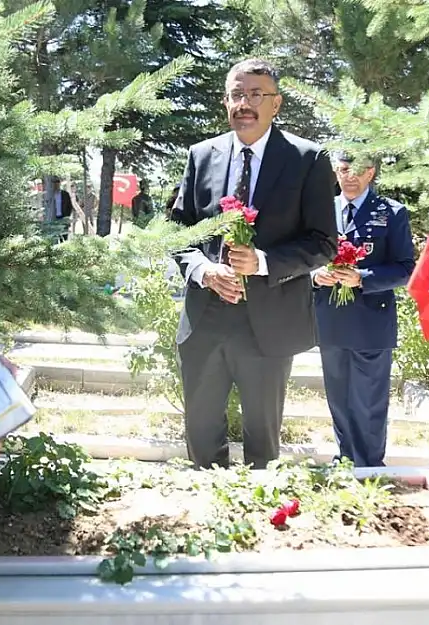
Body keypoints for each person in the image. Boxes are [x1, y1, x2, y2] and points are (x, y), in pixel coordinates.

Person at [170, 58, 338, 469]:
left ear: (275, 104)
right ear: (225, 101)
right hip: (205, 320)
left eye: (255, 95)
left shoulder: (308, 159)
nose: (244, 104)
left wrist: (262, 261)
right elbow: (176, 230)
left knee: (263, 444)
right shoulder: (201, 155)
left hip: (269, 325)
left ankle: (258, 521)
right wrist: (203, 270)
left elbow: (323, 243)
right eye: (236, 94)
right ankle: (206, 517)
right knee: (201, 436)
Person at [311, 154, 415, 467]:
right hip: (330, 320)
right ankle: (345, 459)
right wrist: (315, 275)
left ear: (370, 173)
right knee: (339, 397)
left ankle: (369, 465)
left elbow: (405, 268)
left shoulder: (391, 212)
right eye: (343, 171)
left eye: (357, 171)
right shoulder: (320, 211)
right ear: (335, 173)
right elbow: (303, 258)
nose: (350, 177)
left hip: (371, 323)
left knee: (368, 401)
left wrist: (363, 279)